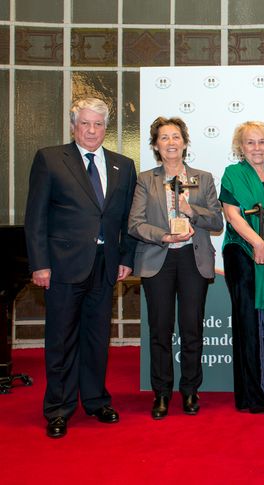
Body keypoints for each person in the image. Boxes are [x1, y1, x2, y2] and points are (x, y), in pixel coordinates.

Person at [25, 97, 137, 438]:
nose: (91, 130)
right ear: (74, 126)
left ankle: (95, 400)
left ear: (106, 128)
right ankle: (58, 407)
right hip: (61, 268)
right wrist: (40, 264)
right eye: (85, 123)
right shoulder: (50, 158)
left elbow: (127, 220)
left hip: (105, 267)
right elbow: (36, 217)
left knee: (96, 339)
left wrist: (127, 259)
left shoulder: (123, 165)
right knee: (60, 339)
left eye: (98, 124)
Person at [128, 116, 223, 419]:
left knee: (192, 329)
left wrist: (189, 209)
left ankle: (191, 390)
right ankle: (162, 393)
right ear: (156, 145)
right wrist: (165, 236)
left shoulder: (203, 177)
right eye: (164, 138)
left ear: (185, 142)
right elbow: (135, 224)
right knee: (160, 330)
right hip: (160, 257)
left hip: (193, 259)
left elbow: (217, 221)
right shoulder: (146, 179)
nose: (171, 142)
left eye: (176, 137)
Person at [220, 121, 264, 414]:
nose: (257, 148)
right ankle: (252, 395)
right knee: (250, 322)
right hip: (241, 252)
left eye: (262, 142)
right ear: (241, 147)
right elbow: (232, 216)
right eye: (250, 142)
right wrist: (258, 244)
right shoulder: (232, 174)